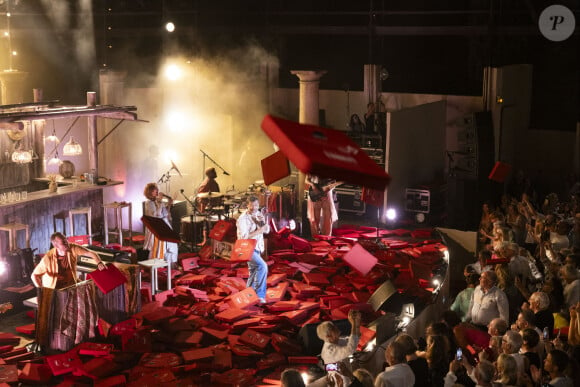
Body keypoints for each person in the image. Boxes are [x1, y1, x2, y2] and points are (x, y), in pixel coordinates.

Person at [31, 232, 105, 289]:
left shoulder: (72, 248)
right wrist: (41, 290)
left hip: (70, 285)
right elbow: (34, 275)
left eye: (66, 240)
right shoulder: (48, 258)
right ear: (56, 246)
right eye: (64, 243)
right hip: (54, 289)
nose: (67, 244)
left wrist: (99, 262)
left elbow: (90, 253)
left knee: (89, 289)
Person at [236, 195, 270, 303]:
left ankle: (248, 294)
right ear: (247, 206)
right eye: (252, 206)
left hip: (257, 247)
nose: (254, 208)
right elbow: (244, 237)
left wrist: (262, 222)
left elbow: (267, 230)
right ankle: (260, 295)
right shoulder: (242, 219)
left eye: (256, 205)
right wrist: (260, 230)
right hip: (246, 248)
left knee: (254, 271)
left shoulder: (258, 214)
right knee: (262, 266)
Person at [316, 309, 361, 386]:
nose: (336, 328)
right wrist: (353, 324)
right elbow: (350, 349)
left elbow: (354, 339)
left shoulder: (336, 341)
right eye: (333, 328)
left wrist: (356, 323)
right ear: (328, 336)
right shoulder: (329, 351)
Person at [143, 182, 178, 269]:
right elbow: (156, 215)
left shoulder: (159, 201)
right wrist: (159, 202)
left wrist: (169, 205)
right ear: (150, 192)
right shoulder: (149, 203)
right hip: (156, 227)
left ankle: (172, 266)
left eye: (157, 189)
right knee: (158, 249)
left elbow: (165, 214)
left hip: (164, 225)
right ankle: (155, 268)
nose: (158, 191)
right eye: (155, 190)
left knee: (172, 245)